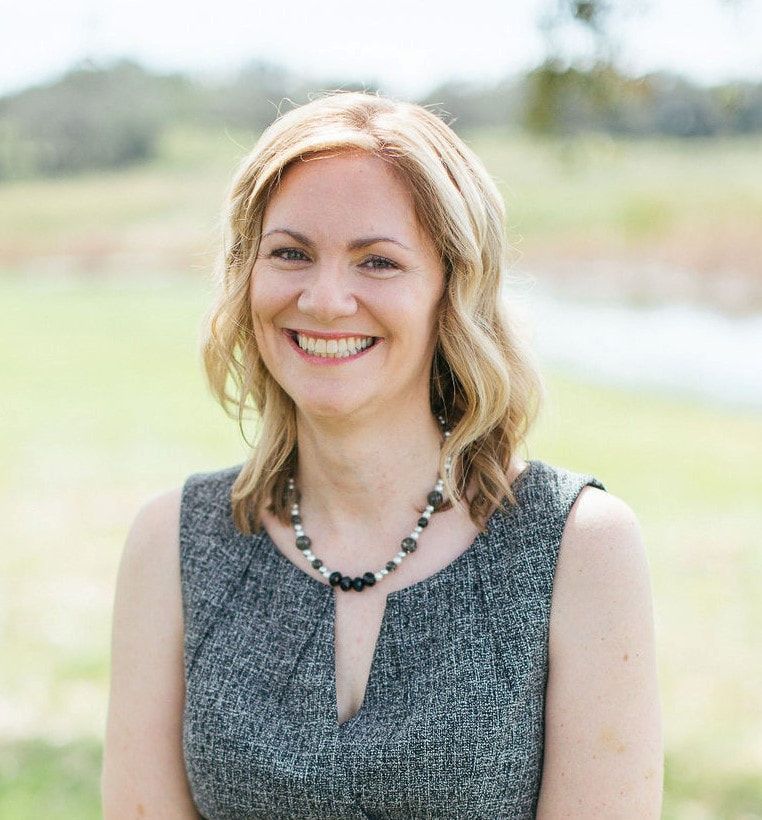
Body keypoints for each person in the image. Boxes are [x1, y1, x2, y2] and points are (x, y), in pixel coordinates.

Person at [101, 90, 663, 818]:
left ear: (452, 290)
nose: (326, 299)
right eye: (291, 253)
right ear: (247, 277)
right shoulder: (172, 541)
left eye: (378, 262)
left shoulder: (580, 547)